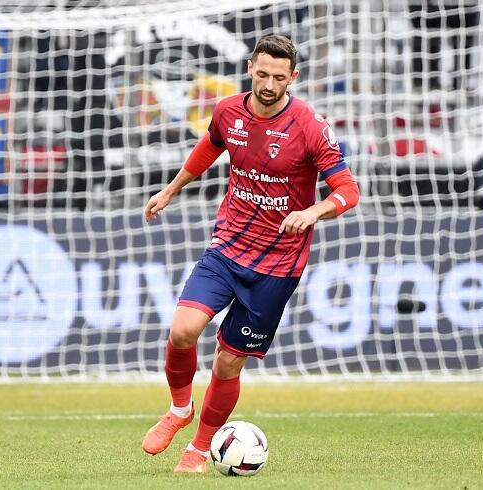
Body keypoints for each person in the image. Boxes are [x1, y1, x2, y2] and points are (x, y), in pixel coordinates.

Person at [141, 34, 360, 473]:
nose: (268, 84)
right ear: (249, 69)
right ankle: (180, 409)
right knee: (183, 330)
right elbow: (210, 146)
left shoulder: (310, 127)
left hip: (278, 265)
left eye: (279, 77)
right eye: (262, 74)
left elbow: (348, 191)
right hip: (227, 246)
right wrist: (171, 190)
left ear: (292, 78)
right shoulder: (228, 110)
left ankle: (200, 450)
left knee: (228, 360)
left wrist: (313, 211)